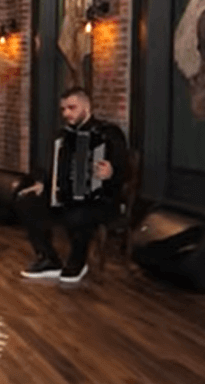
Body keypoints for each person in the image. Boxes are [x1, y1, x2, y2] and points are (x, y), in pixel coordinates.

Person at [15, 87, 128, 283]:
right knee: (27, 201)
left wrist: (111, 172)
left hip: (102, 199)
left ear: (87, 107)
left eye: (72, 108)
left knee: (78, 213)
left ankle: (77, 262)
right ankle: (49, 259)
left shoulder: (109, 133)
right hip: (65, 197)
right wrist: (43, 183)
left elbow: (124, 168)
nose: (66, 113)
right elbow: (54, 166)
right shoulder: (63, 135)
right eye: (63, 109)